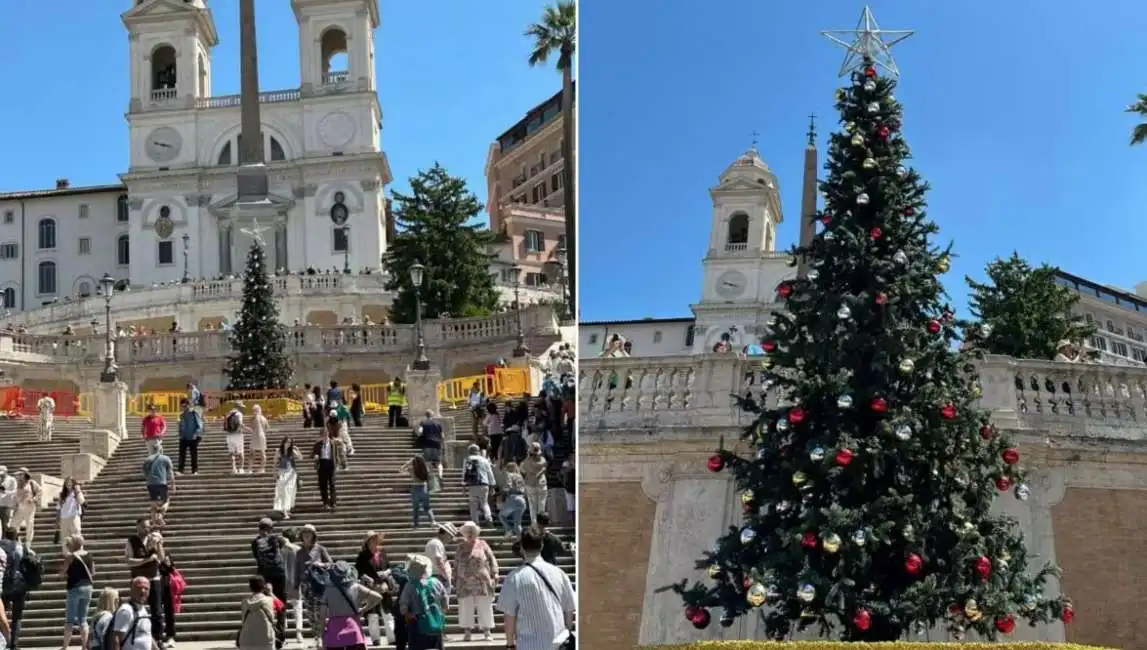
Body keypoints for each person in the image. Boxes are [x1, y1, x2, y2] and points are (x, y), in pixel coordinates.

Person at [496, 529, 576, 650]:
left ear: (522, 548)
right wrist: (566, 635)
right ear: (542, 545)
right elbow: (569, 610)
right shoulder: (559, 573)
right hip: (558, 644)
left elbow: (509, 617)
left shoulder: (514, 578)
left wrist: (510, 644)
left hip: (528, 644)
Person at [320, 562, 383, 650]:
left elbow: (322, 615)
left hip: (334, 634)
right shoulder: (356, 587)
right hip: (353, 630)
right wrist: (364, 609)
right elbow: (378, 597)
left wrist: (322, 634)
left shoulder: (327, 591)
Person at [453, 522, 498, 642]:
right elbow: (456, 563)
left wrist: (495, 572)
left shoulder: (483, 544)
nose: (470, 533)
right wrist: (455, 577)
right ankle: (467, 632)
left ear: (476, 532)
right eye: (467, 531)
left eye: (472, 530)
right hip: (464, 580)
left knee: (484, 605)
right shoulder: (460, 547)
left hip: (482, 579)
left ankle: (487, 630)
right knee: (465, 606)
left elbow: (491, 558)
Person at [123, 518, 165, 644]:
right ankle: (134, 634)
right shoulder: (131, 541)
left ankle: (157, 639)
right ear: (137, 527)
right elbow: (129, 561)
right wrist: (146, 560)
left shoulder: (154, 539)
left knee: (157, 610)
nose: (146, 529)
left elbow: (162, 558)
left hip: (153, 578)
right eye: (143, 527)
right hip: (138, 580)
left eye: (148, 527)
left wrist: (158, 544)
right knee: (136, 608)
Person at [397, 555, 447, 650]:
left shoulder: (410, 584)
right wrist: (442, 612)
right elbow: (445, 599)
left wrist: (407, 614)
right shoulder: (436, 582)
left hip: (417, 622)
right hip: (436, 622)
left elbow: (403, 605)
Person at [251, 519, 287, 647]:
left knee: (264, 603)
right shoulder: (277, 539)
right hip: (279, 573)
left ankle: (268, 631)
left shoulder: (255, 542)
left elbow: (256, 557)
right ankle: (281, 634)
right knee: (281, 603)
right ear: (271, 528)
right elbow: (281, 550)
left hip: (263, 575)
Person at [354, 532, 394, 647]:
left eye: (375, 540)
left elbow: (389, 568)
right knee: (372, 614)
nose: (374, 542)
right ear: (368, 542)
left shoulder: (382, 553)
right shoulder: (362, 556)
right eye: (372, 540)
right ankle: (375, 639)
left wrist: (385, 573)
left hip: (383, 586)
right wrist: (366, 577)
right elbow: (357, 572)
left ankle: (392, 638)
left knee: (388, 613)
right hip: (370, 588)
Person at [58, 533, 94, 650]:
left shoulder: (71, 557)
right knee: (83, 619)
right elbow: (93, 572)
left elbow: (63, 571)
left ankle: (65, 647)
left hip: (74, 587)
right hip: (88, 587)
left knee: (70, 619)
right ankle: (84, 646)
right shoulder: (88, 555)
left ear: (74, 544)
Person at [113, 577, 156, 650]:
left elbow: (146, 634)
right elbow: (116, 639)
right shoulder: (126, 610)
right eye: (139, 588)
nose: (143, 591)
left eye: (146, 588)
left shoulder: (143, 609)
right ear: (131, 590)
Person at [237, 575, 277, 650]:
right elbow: (280, 608)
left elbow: (243, 620)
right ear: (263, 587)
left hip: (247, 639)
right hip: (266, 639)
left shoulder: (245, 602)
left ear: (250, 587)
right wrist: (271, 593)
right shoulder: (269, 600)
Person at [461, 445, 495, 524]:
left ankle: (475, 522)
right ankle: (488, 517)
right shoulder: (484, 460)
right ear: (478, 451)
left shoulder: (467, 460)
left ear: (469, 451)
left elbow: (464, 473)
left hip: (472, 485)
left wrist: (463, 485)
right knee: (484, 503)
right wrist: (492, 484)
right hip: (484, 484)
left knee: (473, 505)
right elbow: (490, 472)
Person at [311, 424, 340, 511]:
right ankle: (325, 503)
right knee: (323, 485)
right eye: (323, 434)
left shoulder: (333, 443)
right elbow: (312, 454)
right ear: (321, 435)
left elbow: (337, 454)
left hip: (330, 463)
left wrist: (337, 464)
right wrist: (315, 456)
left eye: (326, 433)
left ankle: (333, 502)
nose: (325, 435)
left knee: (332, 484)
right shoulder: (318, 444)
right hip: (322, 464)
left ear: (328, 433)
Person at [143, 443, 175, 516]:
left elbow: (145, 472)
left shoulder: (147, 459)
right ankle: (161, 513)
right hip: (162, 483)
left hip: (151, 484)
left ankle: (154, 521)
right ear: (161, 449)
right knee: (166, 501)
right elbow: (171, 472)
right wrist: (173, 484)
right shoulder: (166, 458)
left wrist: (148, 480)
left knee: (153, 502)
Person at [273, 438, 300, 519]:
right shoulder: (278, 451)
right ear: (284, 442)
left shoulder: (291, 451)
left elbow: (300, 457)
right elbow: (274, 463)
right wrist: (275, 473)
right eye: (287, 442)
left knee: (290, 492)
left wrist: (297, 450)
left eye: (290, 442)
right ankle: (284, 511)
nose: (288, 444)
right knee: (283, 491)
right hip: (282, 472)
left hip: (291, 473)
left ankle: (286, 509)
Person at [56, 477, 85, 554]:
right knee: (65, 538)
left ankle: (80, 553)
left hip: (74, 517)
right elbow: (58, 508)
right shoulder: (62, 495)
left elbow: (82, 501)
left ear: (73, 483)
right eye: (67, 482)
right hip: (64, 518)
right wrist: (58, 521)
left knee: (77, 535)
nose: (69, 484)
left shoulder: (76, 492)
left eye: (70, 482)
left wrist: (78, 490)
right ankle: (67, 555)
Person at [176, 399, 204, 476]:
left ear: (188, 405)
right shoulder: (181, 415)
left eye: (185, 406)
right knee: (182, 455)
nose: (184, 407)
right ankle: (180, 470)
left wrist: (197, 434)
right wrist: (180, 432)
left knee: (193, 454)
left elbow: (200, 425)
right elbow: (180, 426)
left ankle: (195, 470)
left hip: (193, 437)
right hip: (183, 437)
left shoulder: (194, 413)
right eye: (182, 406)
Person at [224, 402, 248, 475]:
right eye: (241, 406)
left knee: (232, 453)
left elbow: (225, 424)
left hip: (229, 435)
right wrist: (246, 428)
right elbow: (240, 424)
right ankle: (241, 468)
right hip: (238, 434)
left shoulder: (229, 414)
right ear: (239, 407)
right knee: (241, 452)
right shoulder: (239, 414)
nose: (242, 408)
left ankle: (234, 468)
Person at [249, 405, 271, 474]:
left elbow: (251, 428)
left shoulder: (254, 418)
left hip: (255, 436)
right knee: (262, 453)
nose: (253, 412)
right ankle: (262, 468)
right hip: (262, 436)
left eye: (253, 410)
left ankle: (250, 469)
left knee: (252, 453)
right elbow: (268, 428)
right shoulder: (264, 418)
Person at [0, 467, 16, 532]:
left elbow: (15, 491)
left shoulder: (11, 480)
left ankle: (6, 539)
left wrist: (5, 491)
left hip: (7, 505)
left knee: (6, 524)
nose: (1, 475)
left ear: (6, 472)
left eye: (2, 474)